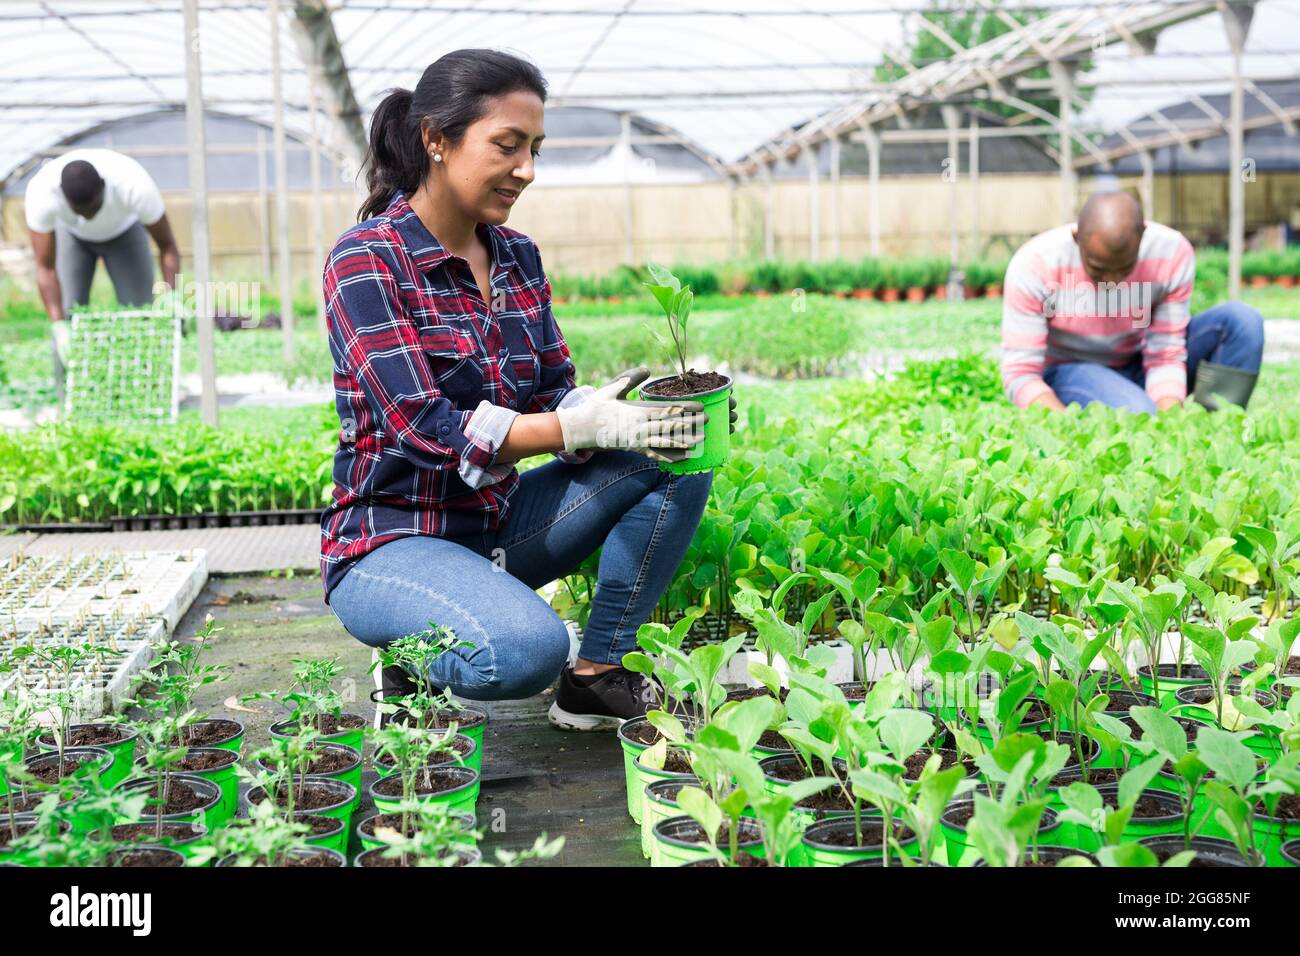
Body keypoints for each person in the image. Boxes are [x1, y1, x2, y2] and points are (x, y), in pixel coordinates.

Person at [320, 49, 735, 731]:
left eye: (535, 149)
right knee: (521, 654)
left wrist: (633, 413)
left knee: (678, 450)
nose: (527, 171)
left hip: (501, 527)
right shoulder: (367, 259)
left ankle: (597, 675)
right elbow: (425, 427)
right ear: (436, 139)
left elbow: (551, 389)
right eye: (507, 146)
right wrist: (582, 429)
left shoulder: (517, 255)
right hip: (391, 543)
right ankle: (413, 649)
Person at [1001, 191, 1264, 414]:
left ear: (1142, 237)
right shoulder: (1035, 265)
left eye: (1125, 268)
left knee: (1242, 322)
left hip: (1137, 362)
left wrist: (1170, 421)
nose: (1112, 281)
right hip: (1072, 370)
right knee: (1138, 414)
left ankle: (1218, 428)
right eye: (1098, 269)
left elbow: (1166, 351)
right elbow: (1020, 372)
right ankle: (1139, 407)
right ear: (1076, 239)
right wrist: (1062, 426)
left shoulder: (1171, 252)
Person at [24, 148, 180, 398]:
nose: (89, 217)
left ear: (104, 187)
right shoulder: (42, 193)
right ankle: (70, 399)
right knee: (68, 313)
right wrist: (58, 325)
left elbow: (168, 246)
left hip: (125, 233)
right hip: (72, 238)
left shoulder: (133, 183)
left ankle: (144, 392)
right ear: (64, 199)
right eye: (80, 211)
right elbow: (45, 268)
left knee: (139, 313)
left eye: (93, 208)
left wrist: (171, 293)